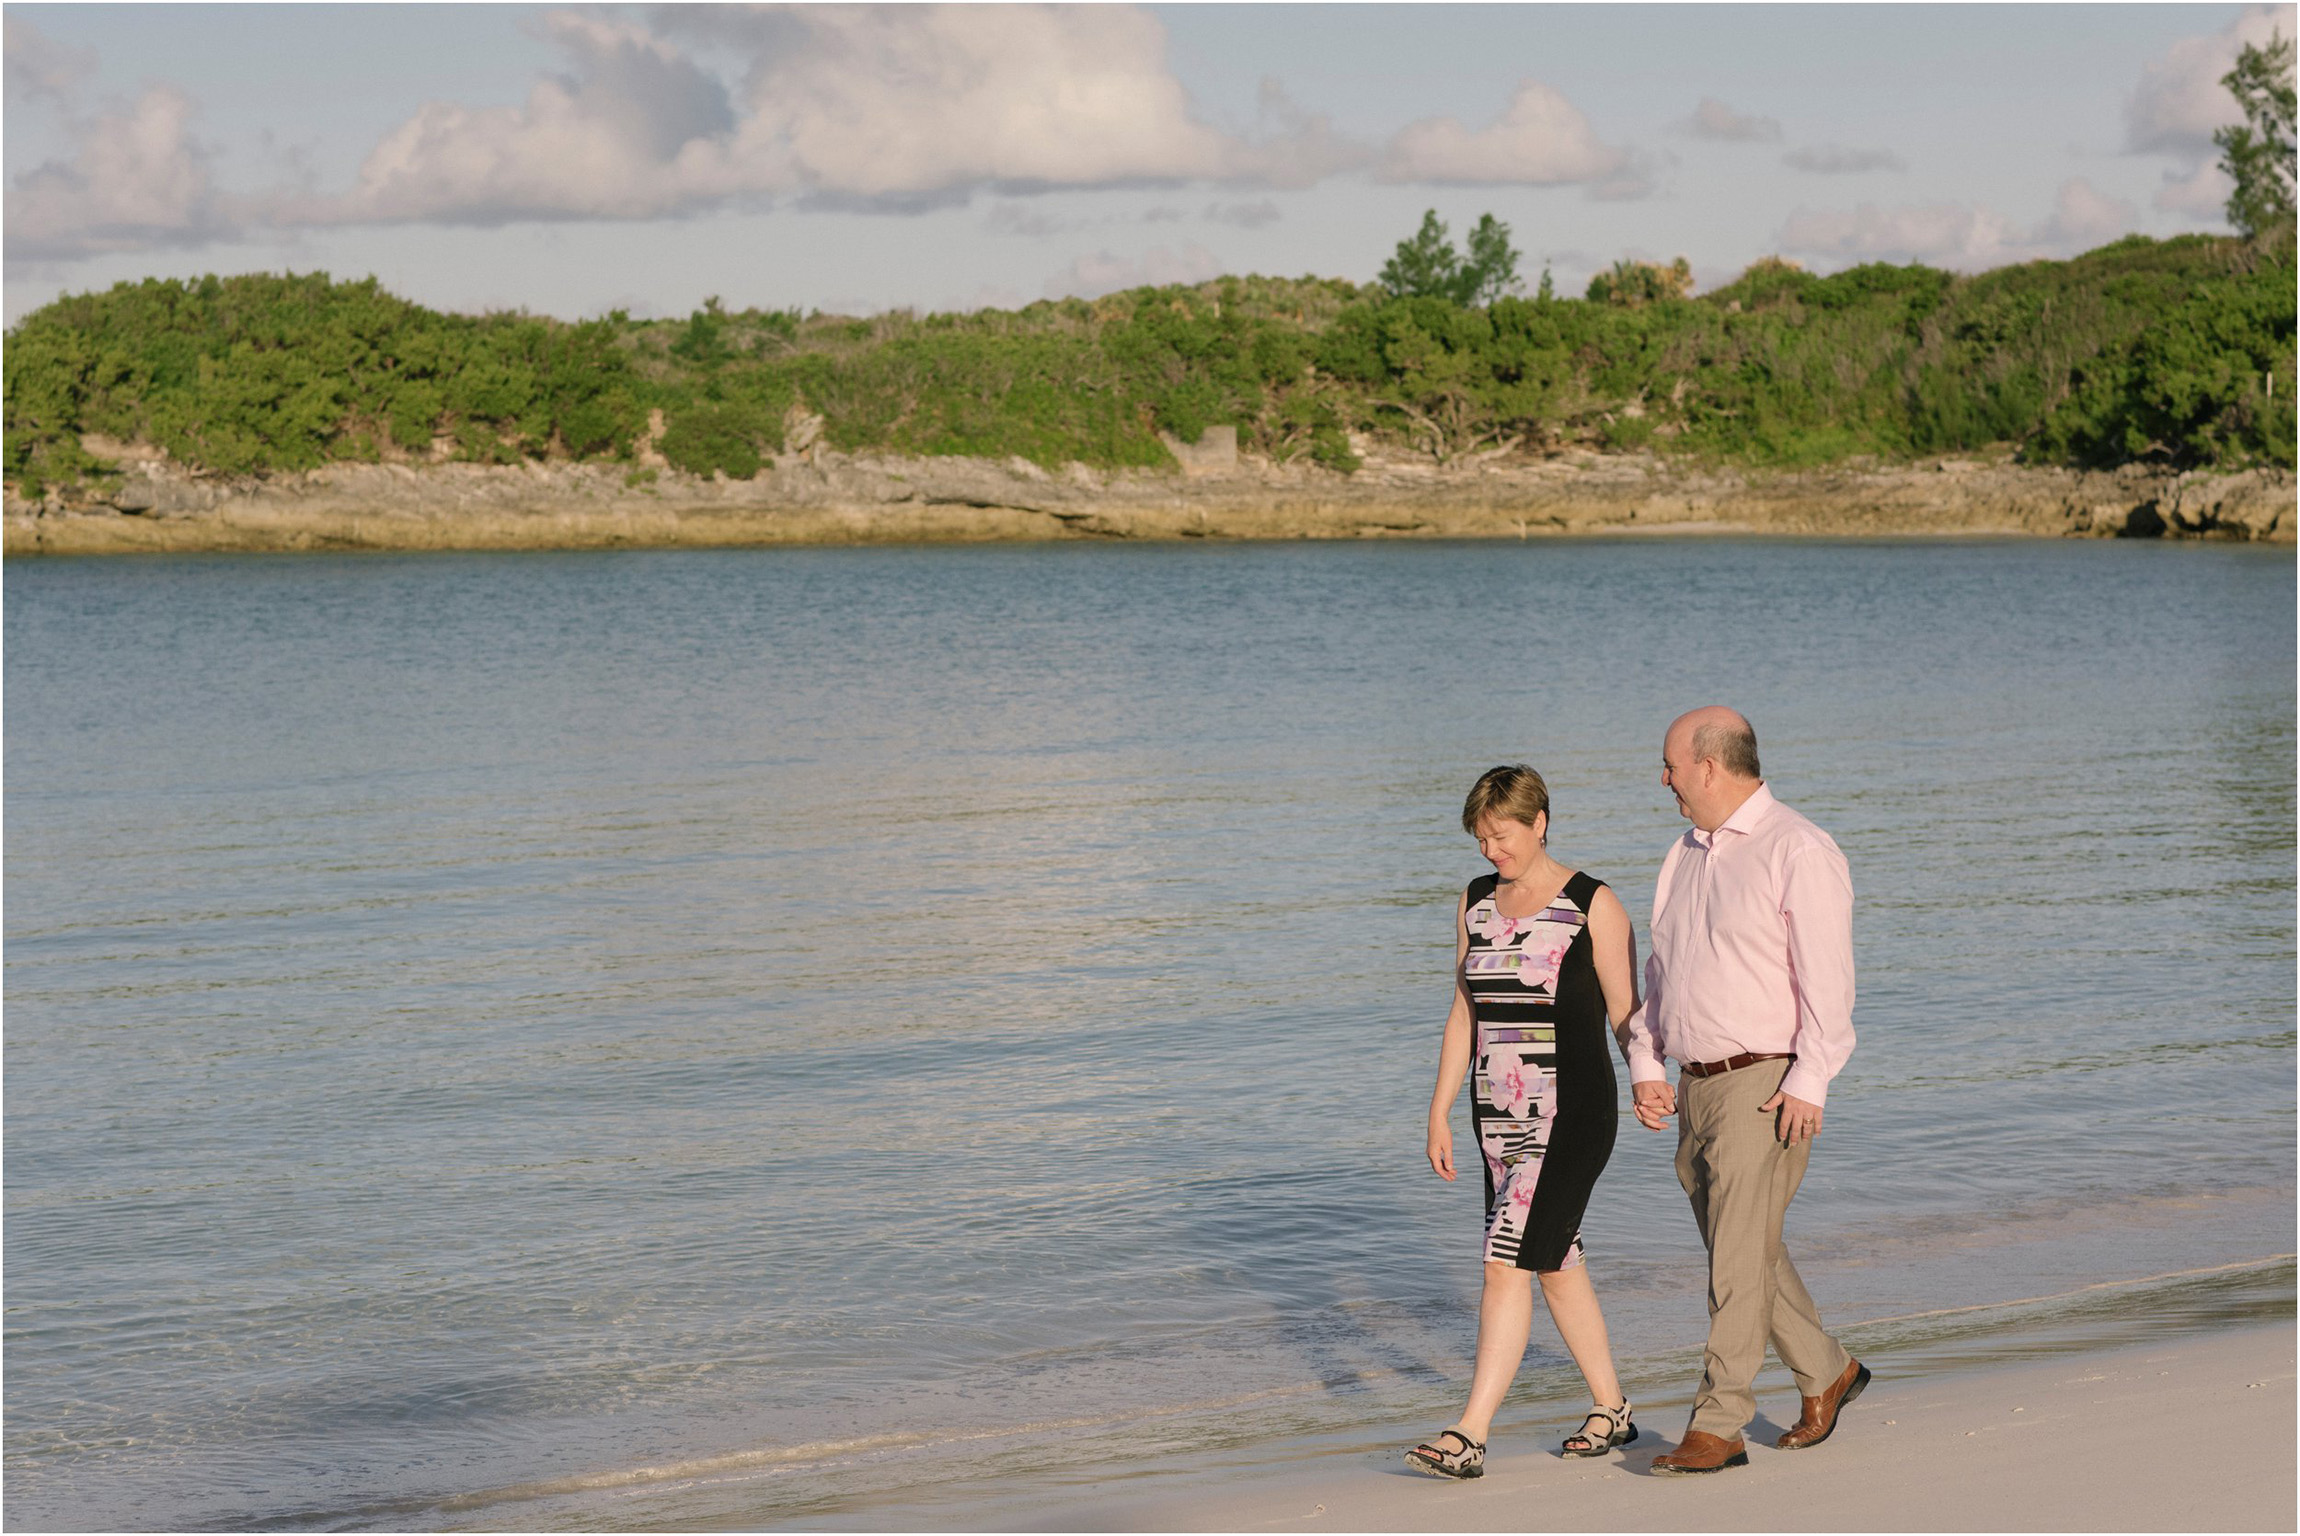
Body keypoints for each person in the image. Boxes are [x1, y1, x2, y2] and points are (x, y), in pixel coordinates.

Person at [1623, 707, 1868, 1475]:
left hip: (1766, 1084)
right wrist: (1648, 1064)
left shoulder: (1797, 847)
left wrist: (1811, 1080)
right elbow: (1661, 976)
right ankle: (1827, 1368)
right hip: (1695, 1086)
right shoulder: (1684, 854)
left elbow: (1828, 980)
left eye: (1669, 765)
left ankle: (1719, 1422)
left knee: (1734, 1260)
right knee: (1746, 1251)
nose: (1661, 779)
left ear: (1710, 766)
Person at [1406, 765, 1645, 1480]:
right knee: (1553, 1260)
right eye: (1481, 839)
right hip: (1497, 1115)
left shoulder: (1593, 904)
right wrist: (1439, 1108)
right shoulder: (1476, 901)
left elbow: (1629, 1013)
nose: (1491, 852)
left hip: (1573, 1112)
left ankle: (1470, 1431)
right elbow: (1464, 1011)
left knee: (1504, 1261)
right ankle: (1613, 1409)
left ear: (1540, 821)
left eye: (1501, 836)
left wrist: (1654, 1084)